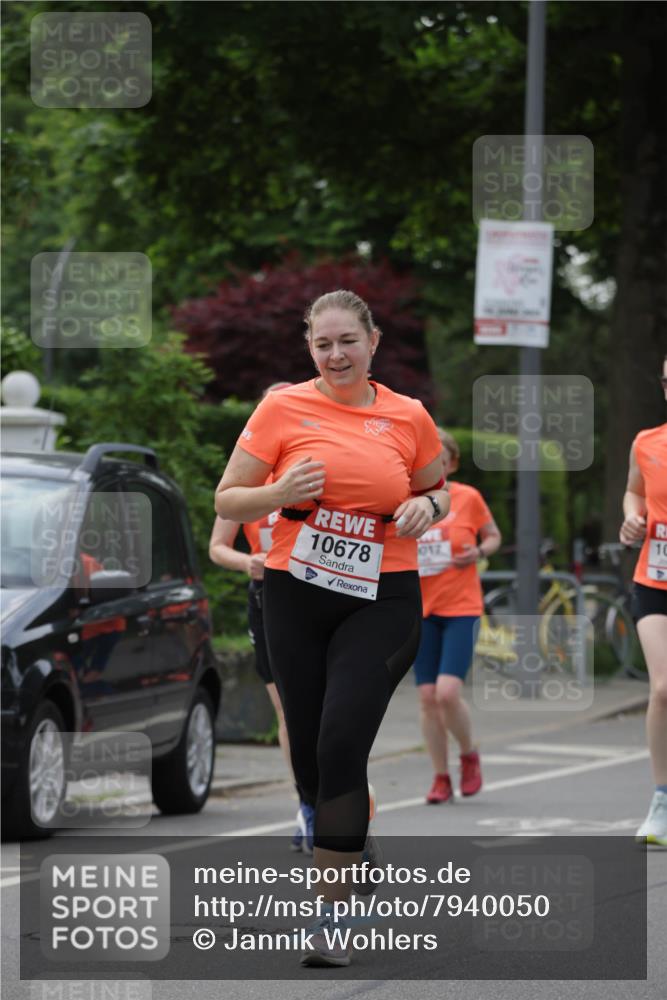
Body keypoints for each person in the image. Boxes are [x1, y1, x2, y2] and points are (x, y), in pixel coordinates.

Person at [214, 289, 448, 967]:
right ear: (308, 347)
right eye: (323, 344)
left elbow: (438, 488)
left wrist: (424, 508)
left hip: (382, 597)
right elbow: (228, 498)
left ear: (373, 342)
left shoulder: (408, 416)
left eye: (348, 340)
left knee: (342, 738)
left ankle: (333, 914)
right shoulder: (282, 406)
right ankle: (352, 850)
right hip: (295, 591)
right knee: (311, 754)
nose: (336, 354)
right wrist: (277, 495)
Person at [208, 383, 316, 853]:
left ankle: (338, 800)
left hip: (317, 594)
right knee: (288, 711)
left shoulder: (314, 466)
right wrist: (246, 563)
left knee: (328, 710)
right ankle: (307, 804)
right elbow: (217, 547)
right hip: (266, 594)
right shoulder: (247, 477)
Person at [413, 429, 501, 804]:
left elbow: (493, 535)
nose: (436, 465)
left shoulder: (468, 497)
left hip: (461, 607)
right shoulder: (408, 499)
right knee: (428, 697)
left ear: (451, 463)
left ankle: (468, 754)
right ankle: (439, 777)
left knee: (448, 693)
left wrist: (479, 552)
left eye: (442, 459)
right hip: (419, 609)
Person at [619, 355, 667, 847]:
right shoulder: (648, 442)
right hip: (655, 579)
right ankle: (662, 799)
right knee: (663, 689)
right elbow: (634, 494)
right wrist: (633, 518)